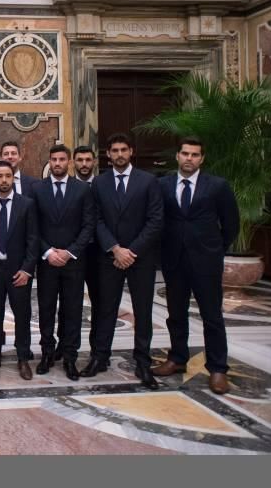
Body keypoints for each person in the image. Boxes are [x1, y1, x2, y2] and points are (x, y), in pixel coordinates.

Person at [153, 137, 239, 395]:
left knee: (212, 316)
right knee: (176, 314)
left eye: (195, 155)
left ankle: (217, 369)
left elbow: (231, 224)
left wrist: (214, 250)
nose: (189, 158)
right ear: (177, 156)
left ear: (202, 159)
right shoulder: (163, 185)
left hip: (206, 262)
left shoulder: (217, 186)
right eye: (185, 154)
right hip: (174, 261)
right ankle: (177, 358)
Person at [81, 133, 163, 390]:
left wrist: (131, 251)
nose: (119, 154)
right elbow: (96, 220)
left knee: (143, 311)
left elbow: (155, 220)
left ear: (131, 152)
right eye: (114, 150)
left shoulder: (149, 181)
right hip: (110, 257)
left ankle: (142, 361)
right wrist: (116, 249)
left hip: (140, 258)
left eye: (123, 150)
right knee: (105, 309)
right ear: (108, 154)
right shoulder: (100, 184)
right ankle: (100, 357)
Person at [34, 145, 95, 381]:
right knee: (47, 309)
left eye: (61, 159)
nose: (57, 163)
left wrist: (70, 252)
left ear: (68, 162)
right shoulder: (37, 189)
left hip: (73, 262)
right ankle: (47, 352)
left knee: (72, 310)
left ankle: (70, 356)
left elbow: (88, 225)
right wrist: (48, 251)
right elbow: (33, 227)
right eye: (54, 159)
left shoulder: (82, 190)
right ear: (49, 162)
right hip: (47, 261)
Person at [0, 161, 39, 379]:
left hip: (18, 271)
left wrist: (27, 269)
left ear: (13, 178)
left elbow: (33, 240)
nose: (4, 180)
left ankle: (23, 358)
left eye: (8, 176)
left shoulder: (27, 204)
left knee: (22, 315)